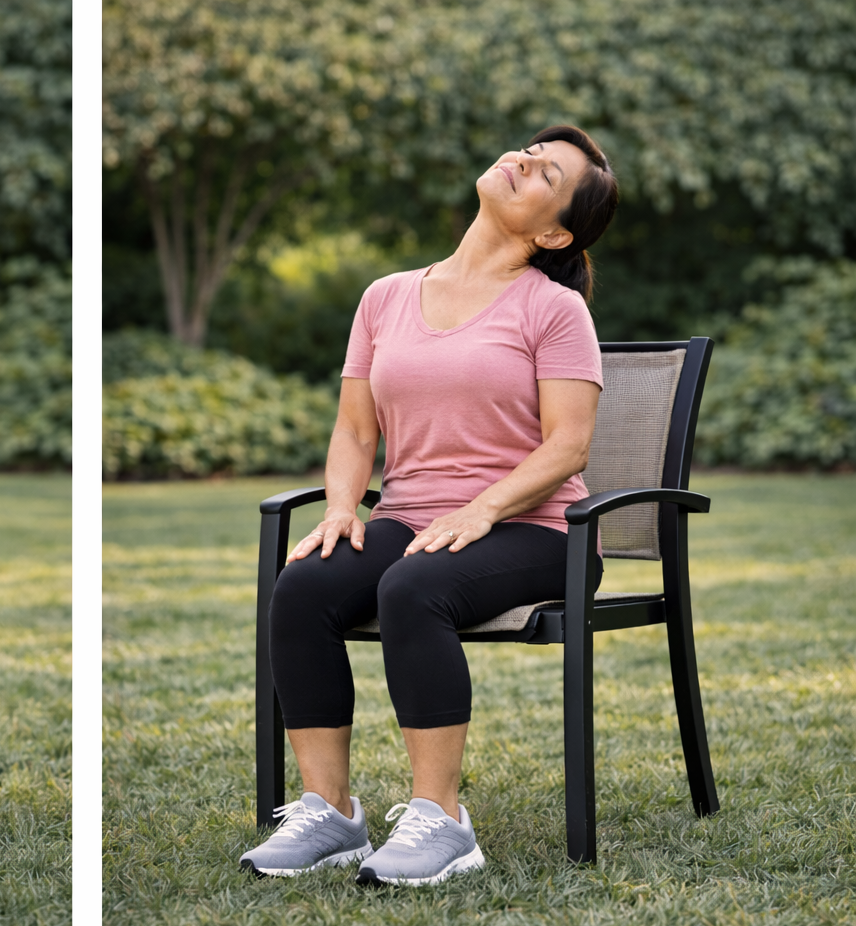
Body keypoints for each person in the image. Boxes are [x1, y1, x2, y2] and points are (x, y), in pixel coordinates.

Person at [240, 126, 620, 887]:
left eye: (545, 171)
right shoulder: (385, 297)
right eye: (527, 149)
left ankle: (441, 820)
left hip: (537, 531)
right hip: (412, 517)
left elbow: (567, 447)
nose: (521, 160)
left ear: (553, 231)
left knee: (412, 587)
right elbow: (354, 427)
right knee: (306, 585)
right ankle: (331, 811)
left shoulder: (553, 310)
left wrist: (482, 510)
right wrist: (344, 507)